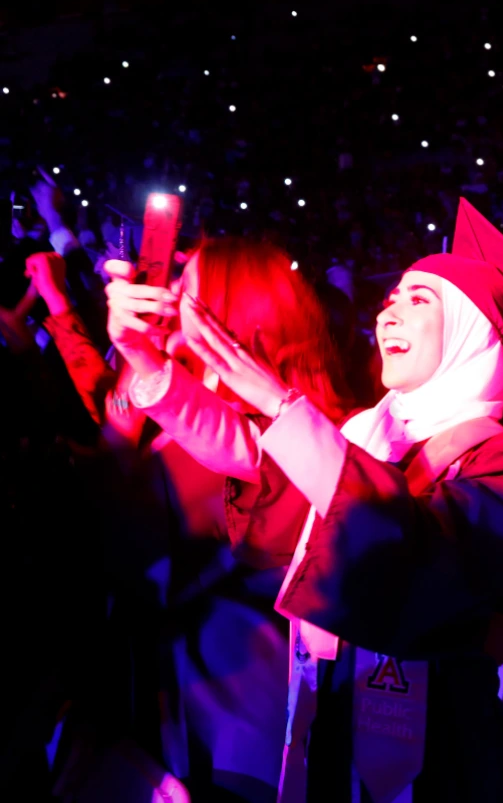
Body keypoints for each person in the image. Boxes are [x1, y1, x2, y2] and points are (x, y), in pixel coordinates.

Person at [181, 198, 503, 801]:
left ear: (472, 335)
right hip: (335, 698)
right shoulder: (368, 435)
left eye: (419, 300)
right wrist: (156, 381)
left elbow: (425, 567)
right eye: (390, 299)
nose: (389, 313)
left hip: (440, 740)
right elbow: (287, 521)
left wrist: (285, 411)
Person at [86, 237, 346, 801]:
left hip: (229, 708)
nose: (170, 298)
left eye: (188, 289)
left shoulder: (259, 436)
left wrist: (118, 439)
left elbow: (119, 552)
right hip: (190, 689)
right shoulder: (192, 414)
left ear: (230, 310)